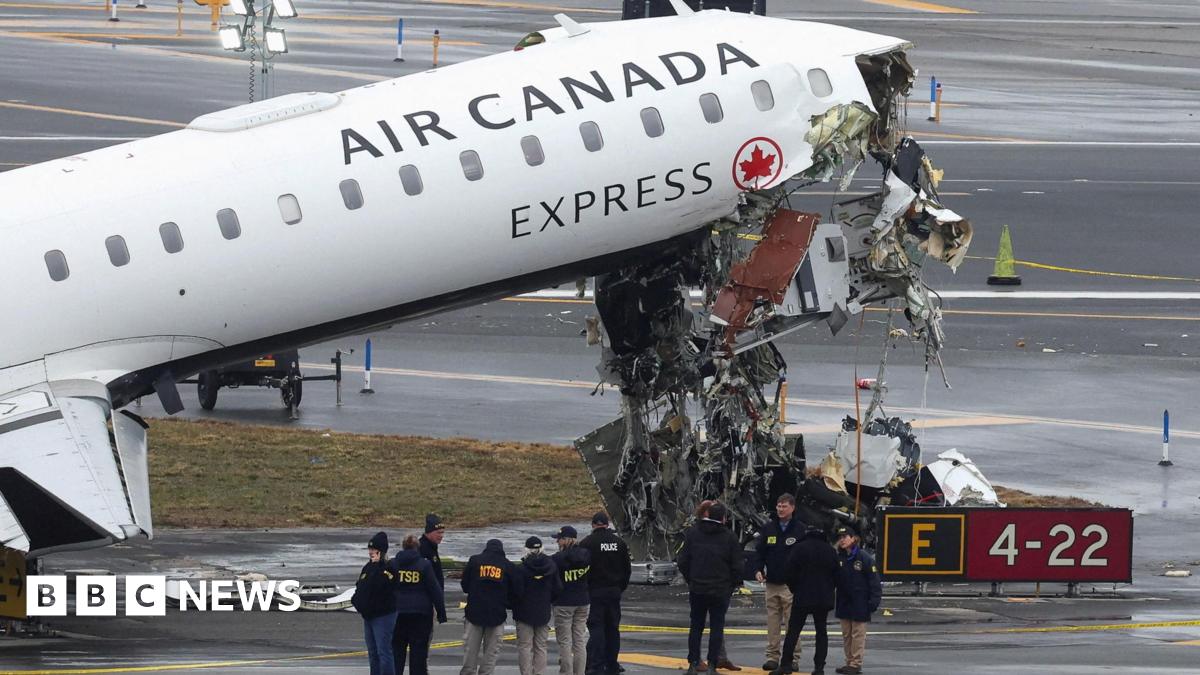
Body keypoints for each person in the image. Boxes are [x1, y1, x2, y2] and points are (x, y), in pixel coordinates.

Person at [677, 502, 743, 675]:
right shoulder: (729, 537)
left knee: (696, 626)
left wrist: (691, 579)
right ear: (723, 518)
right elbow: (737, 565)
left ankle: (693, 663)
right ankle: (712, 665)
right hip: (720, 589)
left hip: (698, 587)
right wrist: (731, 585)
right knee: (716, 627)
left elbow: (682, 561)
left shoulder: (693, 533)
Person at [770, 525, 839, 675]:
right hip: (823, 597)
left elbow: (788, 572)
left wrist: (795, 588)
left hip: (802, 595)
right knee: (821, 632)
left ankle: (786, 664)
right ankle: (819, 667)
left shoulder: (799, 548)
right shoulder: (830, 550)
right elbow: (837, 575)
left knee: (793, 631)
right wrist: (828, 589)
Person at [579, 511, 631, 675]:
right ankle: (612, 663)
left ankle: (596, 665)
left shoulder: (587, 543)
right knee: (613, 629)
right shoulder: (619, 542)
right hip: (614, 591)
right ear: (607, 525)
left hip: (595, 592)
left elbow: (582, 569)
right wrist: (619, 588)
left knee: (597, 629)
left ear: (593, 525)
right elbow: (627, 569)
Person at [754, 494, 801, 671]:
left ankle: (792, 657)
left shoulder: (800, 529)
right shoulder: (769, 528)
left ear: (792, 507)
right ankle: (772, 656)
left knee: (792, 623)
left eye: (784, 506)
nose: (780, 509)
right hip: (772, 582)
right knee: (773, 623)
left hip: (791, 585)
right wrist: (758, 569)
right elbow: (759, 552)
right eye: (779, 506)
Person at [392, 534, 448, 675]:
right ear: (417, 547)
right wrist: (441, 613)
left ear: (403, 546)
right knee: (418, 655)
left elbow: (386, 587)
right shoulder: (424, 565)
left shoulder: (393, 564)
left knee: (397, 653)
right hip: (421, 615)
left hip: (397, 614)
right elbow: (434, 590)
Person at [461, 538, 518, 675]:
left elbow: (465, 586)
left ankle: (468, 672)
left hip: (474, 612)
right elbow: (515, 591)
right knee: (491, 653)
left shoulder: (475, 561)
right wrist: (506, 603)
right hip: (496, 614)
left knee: (470, 650)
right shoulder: (508, 565)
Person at [833, 526, 881, 675]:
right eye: (840, 537)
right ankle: (849, 661)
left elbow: (874, 581)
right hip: (844, 601)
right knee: (846, 634)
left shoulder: (863, 557)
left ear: (853, 538)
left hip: (860, 602)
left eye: (845, 537)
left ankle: (856, 663)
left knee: (858, 635)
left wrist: (874, 601)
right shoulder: (839, 557)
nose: (842, 540)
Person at [352, 532, 399, 675]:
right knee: (373, 653)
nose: (371, 552)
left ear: (381, 551)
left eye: (374, 550)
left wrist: (377, 565)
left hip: (383, 616)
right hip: (369, 615)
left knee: (383, 652)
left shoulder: (389, 568)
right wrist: (357, 601)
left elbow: (380, 586)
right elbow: (361, 586)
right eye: (370, 549)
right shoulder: (367, 567)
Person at [514, 536, 562, 675]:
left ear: (526, 549)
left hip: (524, 612)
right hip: (543, 611)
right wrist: (548, 600)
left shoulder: (521, 569)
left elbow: (516, 591)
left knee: (525, 647)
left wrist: (515, 604)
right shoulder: (551, 566)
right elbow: (558, 588)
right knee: (541, 646)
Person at [551, 525, 591, 675]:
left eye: (559, 539)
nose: (557, 542)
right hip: (583, 601)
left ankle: (566, 672)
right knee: (579, 641)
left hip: (564, 603)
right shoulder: (587, 555)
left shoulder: (557, 559)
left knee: (565, 642)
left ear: (566, 540)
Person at [420, 513, 446, 589]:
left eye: (442, 532)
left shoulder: (432, 546)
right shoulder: (422, 548)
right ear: (429, 532)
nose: (441, 536)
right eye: (438, 532)